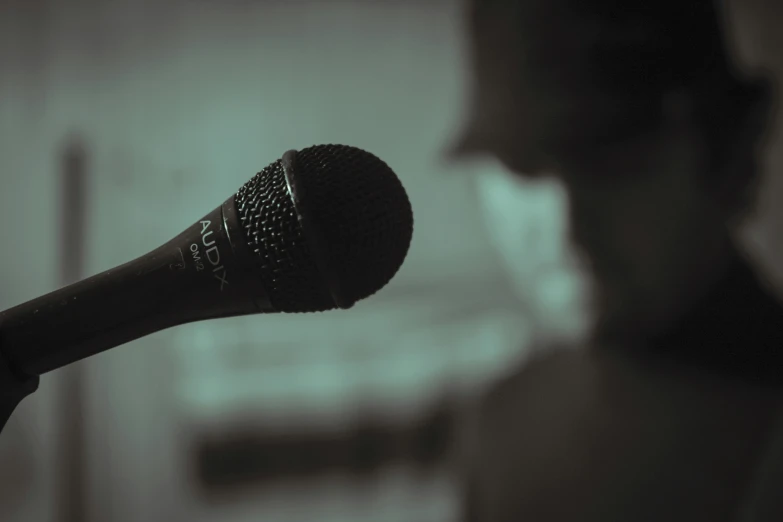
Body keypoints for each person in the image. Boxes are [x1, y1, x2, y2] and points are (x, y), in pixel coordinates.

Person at [449, 0, 783, 520]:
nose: (566, 223)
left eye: (610, 159)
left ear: (727, 148)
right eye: (525, 167)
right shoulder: (502, 422)